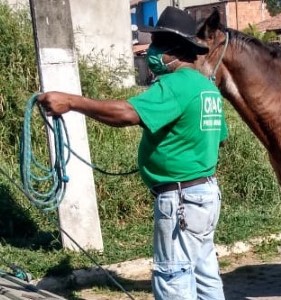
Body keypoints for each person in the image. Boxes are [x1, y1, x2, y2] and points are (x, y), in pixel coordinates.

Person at [37, 6, 228, 300]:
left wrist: (71, 102)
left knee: (173, 277)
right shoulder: (207, 88)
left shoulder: (176, 84)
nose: (150, 52)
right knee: (204, 273)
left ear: (173, 49)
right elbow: (219, 139)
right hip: (204, 195)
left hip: (180, 199)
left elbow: (126, 113)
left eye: (156, 45)